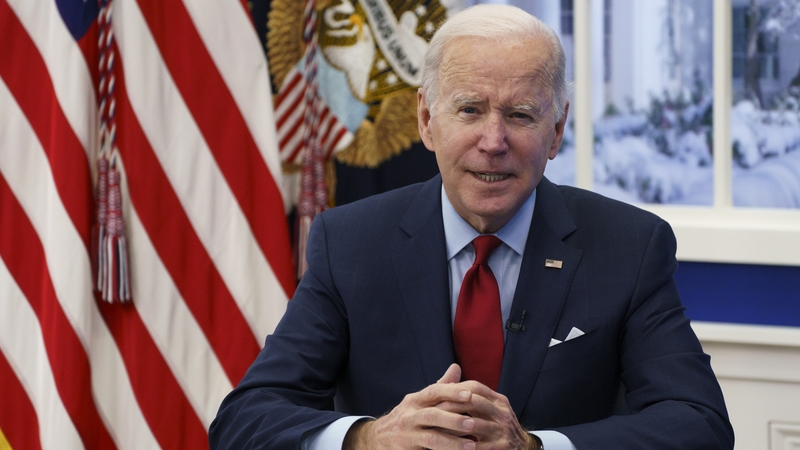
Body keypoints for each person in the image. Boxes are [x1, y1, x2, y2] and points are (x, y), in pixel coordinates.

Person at [209, 4, 734, 449]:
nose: (493, 140)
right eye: (469, 109)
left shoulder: (629, 245)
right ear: (425, 121)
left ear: (556, 131)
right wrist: (369, 438)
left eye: (522, 115)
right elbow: (246, 418)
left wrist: (533, 446)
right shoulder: (349, 242)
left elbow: (699, 422)